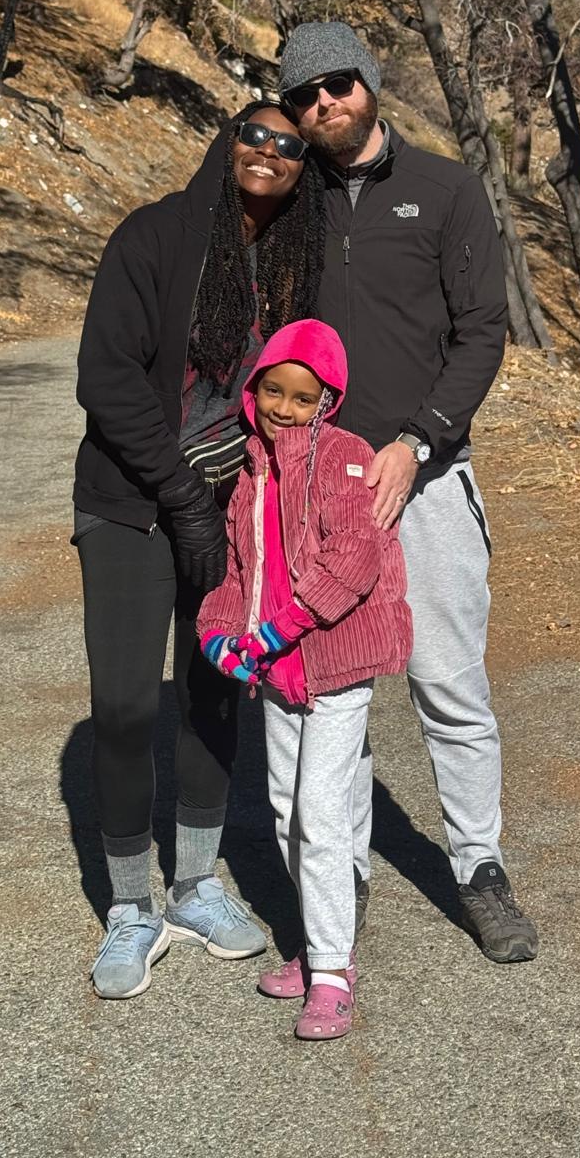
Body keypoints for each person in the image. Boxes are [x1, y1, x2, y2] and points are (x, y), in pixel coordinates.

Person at [275, 21, 539, 963]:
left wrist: (417, 442)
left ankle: (480, 869)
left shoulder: (446, 191)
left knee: (448, 684)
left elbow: (481, 334)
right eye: (304, 95)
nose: (324, 104)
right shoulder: (293, 199)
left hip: (422, 482)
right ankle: (338, 871)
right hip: (317, 488)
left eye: (339, 83)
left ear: (369, 82)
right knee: (330, 687)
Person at [72, 104, 326, 999]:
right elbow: (103, 378)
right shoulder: (154, 238)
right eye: (254, 135)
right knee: (126, 703)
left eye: (290, 145)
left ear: (304, 167)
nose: (269, 152)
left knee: (217, 689)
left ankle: (194, 884)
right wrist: (180, 496)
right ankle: (131, 908)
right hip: (132, 505)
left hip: (240, 512)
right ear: (225, 144)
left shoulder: (297, 262)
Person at [198, 319, 412, 1040]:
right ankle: (325, 940)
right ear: (254, 389)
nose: (285, 407)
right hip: (275, 670)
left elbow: (356, 555)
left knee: (319, 813)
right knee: (288, 810)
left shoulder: (345, 458)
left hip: (336, 661)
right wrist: (219, 638)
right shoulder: (248, 478)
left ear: (329, 399)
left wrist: (284, 625)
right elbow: (236, 574)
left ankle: (331, 973)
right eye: (273, 391)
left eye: (303, 395)